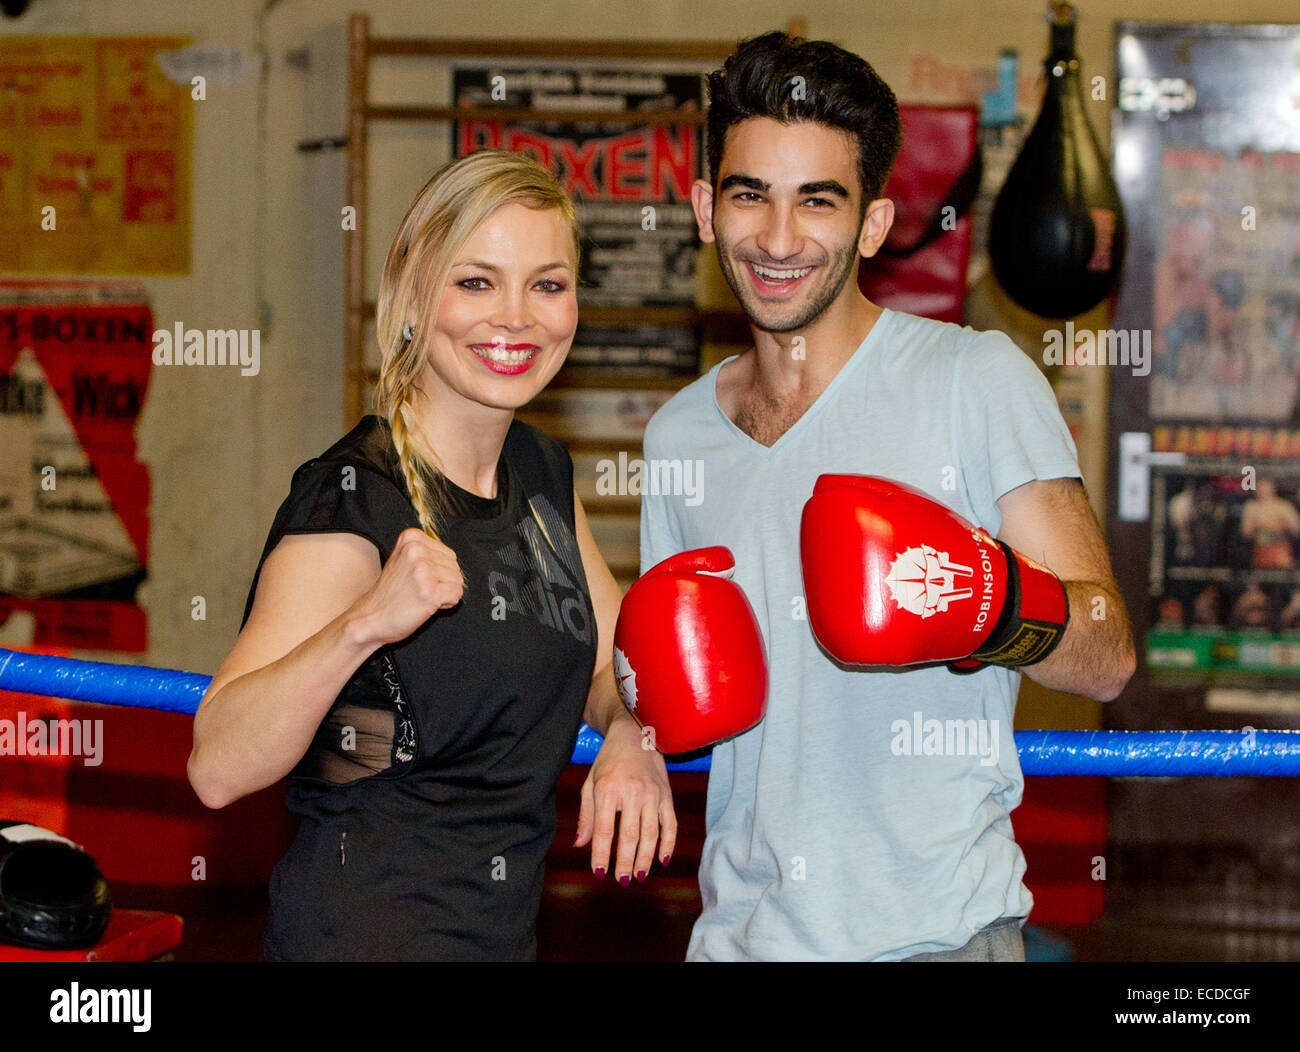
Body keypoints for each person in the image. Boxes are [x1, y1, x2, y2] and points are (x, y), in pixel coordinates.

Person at [638, 31, 1135, 961]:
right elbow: (671, 687)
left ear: (871, 225)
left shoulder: (974, 380)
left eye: (817, 203)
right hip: (736, 942)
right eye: (750, 196)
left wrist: (984, 601)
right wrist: (631, 725)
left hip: (937, 939)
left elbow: (1105, 650)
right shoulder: (677, 438)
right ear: (706, 209)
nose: (779, 241)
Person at [187, 149, 676, 961]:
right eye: (477, 282)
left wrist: (632, 734)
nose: (517, 316)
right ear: (415, 296)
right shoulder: (354, 495)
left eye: (547, 285)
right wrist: (363, 625)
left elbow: (617, 664)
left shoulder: (543, 475)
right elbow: (219, 763)